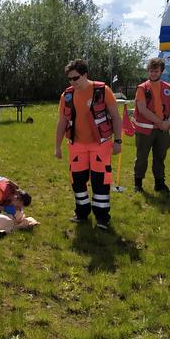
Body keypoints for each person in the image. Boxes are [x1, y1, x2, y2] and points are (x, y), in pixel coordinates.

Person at [55, 59, 122, 230]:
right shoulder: (67, 95)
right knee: (77, 181)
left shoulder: (102, 90)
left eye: (75, 78)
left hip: (101, 144)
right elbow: (62, 121)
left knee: (100, 181)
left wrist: (118, 141)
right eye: (69, 79)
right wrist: (57, 146)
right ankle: (81, 213)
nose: (72, 82)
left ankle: (102, 217)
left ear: (85, 75)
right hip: (77, 145)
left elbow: (115, 117)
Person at [131, 58, 170, 193]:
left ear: (161, 71)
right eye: (151, 71)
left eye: (156, 71)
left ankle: (160, 183)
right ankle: (138, 184)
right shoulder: (142, 88)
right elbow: (142, 109)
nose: (153, 73)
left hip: (162, 130)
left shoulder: (169, 88)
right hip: (145, 130)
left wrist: (168, 122)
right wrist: (161, 122)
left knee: (160, 157)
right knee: (141, 157)